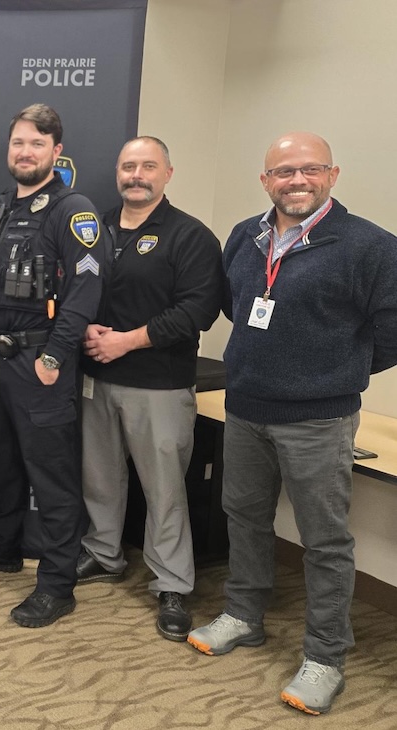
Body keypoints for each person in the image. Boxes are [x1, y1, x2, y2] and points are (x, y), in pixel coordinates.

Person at [187, 132, 397, 715]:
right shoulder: (244, 237)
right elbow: (237, 305)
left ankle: (325, 657)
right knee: (245, 516)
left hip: (319, 418)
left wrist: (335, 367)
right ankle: (243, 614)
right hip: (246, 406)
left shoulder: (371, 247)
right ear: (266, 181)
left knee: (325, 540)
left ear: (332, 174)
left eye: (309, 169)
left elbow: (391, 332)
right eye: (283, 172)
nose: (295, 181)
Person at [0, 103, 106, 628]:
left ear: (56, 151)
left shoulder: (72, 209)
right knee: (4, 464)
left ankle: (58, 585)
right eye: (19, 142)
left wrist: (53, 356)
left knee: (53, 476)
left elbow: (86, 290)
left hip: (38, 361)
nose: (25, 152)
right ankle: (2, 548)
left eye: (37, 144)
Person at [77, 136, 223, 641]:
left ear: (167, 173)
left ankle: (172, 583)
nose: (135, 175)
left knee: (163, 489)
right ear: (117, 173)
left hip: (158, 385)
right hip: (97, 377)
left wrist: (126, 342)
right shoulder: (94, 228)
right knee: (100, 477)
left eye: (147, 166)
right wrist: (87, 331)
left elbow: (197, 310)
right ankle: (103, 553)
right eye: (127, 166)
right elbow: (73, 288)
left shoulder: (190, 235)